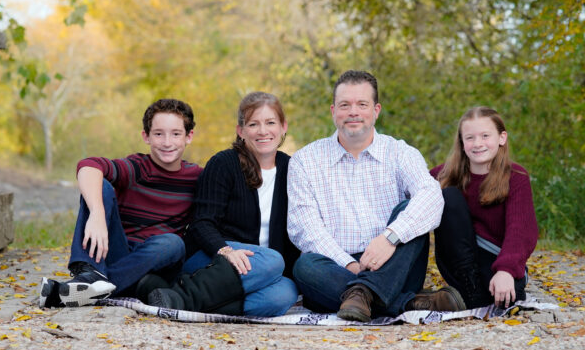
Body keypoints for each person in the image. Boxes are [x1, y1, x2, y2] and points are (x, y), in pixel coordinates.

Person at [287, 69, 464, 322]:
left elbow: (431, 197)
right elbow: (304, 227)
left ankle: (363, 295)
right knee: (305, 267)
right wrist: (350, 265)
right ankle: (406, 302)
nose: (353, 112)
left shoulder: (400, 152)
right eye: (345, 105)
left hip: (394, 263)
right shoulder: (305, 160)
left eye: (362, 104)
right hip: (336, 268)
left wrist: (390, 238)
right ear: (333, 111)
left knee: (410, 210)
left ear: (376, 110)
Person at [142, 92, 299, 316]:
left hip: (259, 270)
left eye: (270, 123)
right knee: (273, 260)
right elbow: (202, 223)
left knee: (284, 294)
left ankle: (174, 296)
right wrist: (225, 251)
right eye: (253, 124)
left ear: (283, 127)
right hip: (212, 259)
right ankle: (184, 296)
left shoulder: (292, 168)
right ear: (241, 131)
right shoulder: (223, 164)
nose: (263, 131)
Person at [38, 98, 201, 306]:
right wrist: (97, 214)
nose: (167, 142)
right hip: (118, 251)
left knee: (173, 243)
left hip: (159, 263)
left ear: (189, 136)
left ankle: (91, 285)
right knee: (101, 186)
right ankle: (90, 273)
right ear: (146, 137)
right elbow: (89, 165)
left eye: (176, 134)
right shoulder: (137, 168)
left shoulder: (197, 177)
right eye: (158, 134)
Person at [431, 106, 538, 308]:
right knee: (449, 196)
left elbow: (521, 230)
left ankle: (478, 294)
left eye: (485, 136)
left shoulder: (516, 177)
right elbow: (408, 188)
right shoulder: (445, 175)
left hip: (498, 261)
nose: (477, 144)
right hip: (460, 264)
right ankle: (470, 293)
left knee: (510, 295)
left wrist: (506, 270)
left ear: (501, 138)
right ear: (462, 143)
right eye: (470, 138)